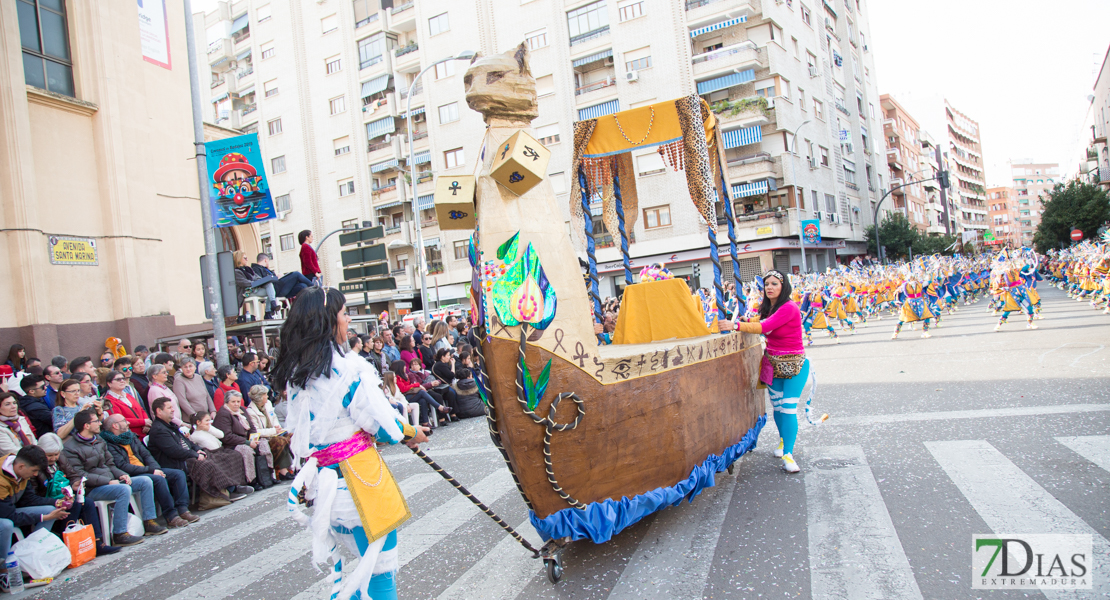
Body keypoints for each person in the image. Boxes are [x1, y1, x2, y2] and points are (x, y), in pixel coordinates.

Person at [271, 286, 428, 599]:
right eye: (344, 314)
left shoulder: (297, 375)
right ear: (329, 322)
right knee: (380, 575)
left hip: (324, 489)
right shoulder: (349, 369)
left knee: (355, 575)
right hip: (360, 484)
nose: (348, 321)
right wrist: (412, 433)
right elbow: (382, 425)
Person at [726, 270, 817, 474]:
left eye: (774, 284)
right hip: (772, 364)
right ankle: (783, 441)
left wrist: (735, 325)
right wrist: (745, 320)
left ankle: (789, 453)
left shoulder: (789, 307)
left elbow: (765, 326)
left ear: (783, 287)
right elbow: (759, 320)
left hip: (795, 366)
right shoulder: (769, 308)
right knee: (777, 408)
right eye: (767, 284)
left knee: (788, 409)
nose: (769, 287)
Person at [62, 410, 151, 545]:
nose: (100, 423)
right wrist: (108, 481)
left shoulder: (99, 440)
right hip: (92, 488)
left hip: (111, 481)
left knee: (145, 481)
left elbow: (110, 464)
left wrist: (121, 474)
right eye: (96, 421)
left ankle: (149, 521)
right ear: (86, 425)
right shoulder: (70, 448)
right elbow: (80, 475)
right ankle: (119, 533)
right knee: (123, 490)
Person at [100, 413, 197, 528]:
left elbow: (146, 455)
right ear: (115, 426)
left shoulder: (130, 436)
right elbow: (122, 466)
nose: (128, 423)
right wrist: (151, 471)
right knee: (158, 479)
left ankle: (182, 509)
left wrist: (155, 468)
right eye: (124, 421)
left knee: (178, 474)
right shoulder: (108, 444)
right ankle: (171, 516)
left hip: (148, 470)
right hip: (131, 475)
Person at [146, 401, 250, 504]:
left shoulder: (170, 425)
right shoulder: (159, 430)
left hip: (187, 455)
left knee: (226, 456)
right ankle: (227, 491)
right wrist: (195, 454)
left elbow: (189, 442)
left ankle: (235, 485)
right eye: (169, 408)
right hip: (177, 462)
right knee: (208, 463)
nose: (173, 409)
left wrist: (197, 449)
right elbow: (174, 451)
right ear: (159, 411)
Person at [34, 433, 119, 555]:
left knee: (87, 502)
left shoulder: (61, 459)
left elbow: (72, 474)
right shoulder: (35, 466)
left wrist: (75, 484)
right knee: (74, 505)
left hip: (64, 495)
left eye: (56, 455)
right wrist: (56, 500)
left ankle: (97, 542)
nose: (53, 458)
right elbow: (35, 494)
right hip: (47, 499)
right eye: (49, 456)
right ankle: (69, 545)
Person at [0, 446, 71, 567]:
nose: (35, 474)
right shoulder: (2, 481)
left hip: (10, 511)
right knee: (7, 525)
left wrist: (57, 502)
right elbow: (9, 516)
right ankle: (4, 568)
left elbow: (29, 500)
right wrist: (44, 517)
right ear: (21, 466)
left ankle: (36, 553)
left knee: (51, 509)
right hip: (5, 516)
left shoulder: (20, 471)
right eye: (34, 470)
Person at [213, 391, 263, 489]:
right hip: (232, 444)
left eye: (238, 401)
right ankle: (251, 480)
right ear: (227, 402)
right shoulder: (223, 414)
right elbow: (227, 436)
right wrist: (248, 443)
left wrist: (253, 439)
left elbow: (252, 427)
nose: (236, 404)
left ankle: (266, 476)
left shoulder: (242, 410)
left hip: (246, 440)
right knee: (246, 450)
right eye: (233, 402)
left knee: (264, 444)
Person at [244, 386, 294, 482]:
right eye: (265, 395)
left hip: (275, 432)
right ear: (260, 397)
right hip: (265, 438)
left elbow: (274, 418)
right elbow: (257, 431)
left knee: (293, 436)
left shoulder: (268, 404)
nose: (267, 396)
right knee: (280, 441)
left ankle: (295, 466)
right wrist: (274, 431)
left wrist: (277, 427)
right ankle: (283, 471)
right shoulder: (250, 412)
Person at [234, 250, 281, 320]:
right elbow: (244, 283)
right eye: (245, 258)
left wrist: (259, 282)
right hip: (247, 292)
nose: (247, 259)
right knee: (270, 291)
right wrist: (256, 283)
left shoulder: (248, 269)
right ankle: (268, 311)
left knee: (269, 285)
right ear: (239, 259)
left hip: (255, 289)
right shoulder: (236, 272)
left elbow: (258, 278)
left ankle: (272, 304)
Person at [103, 369, 151, 436]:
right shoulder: (109, 400)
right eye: (118, 379)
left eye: (123, 379)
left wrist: (147, 423)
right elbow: (119, 420)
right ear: (109, 384)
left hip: (143, 434)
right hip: (129, 436)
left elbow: (141, 409)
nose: (122, 381)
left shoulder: (128, 395)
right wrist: (143, 422)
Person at [172, 358, 215, 423]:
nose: (188, 369)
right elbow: (182, 400)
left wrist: (213, 411)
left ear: (195, 367)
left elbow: (207, 395)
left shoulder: (198, 377)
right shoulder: (179, 380)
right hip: (192, 419)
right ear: (181, 369)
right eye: (185, 367)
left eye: (190, 366)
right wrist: (194, 415)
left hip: (205, 416)